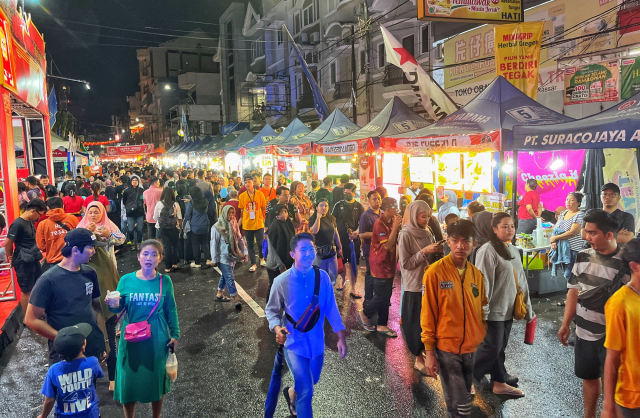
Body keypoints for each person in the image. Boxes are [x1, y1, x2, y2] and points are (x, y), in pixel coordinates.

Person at [265, 233, 347, 418]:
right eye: (304, 250)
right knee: (306, 392)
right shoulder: (281, 281)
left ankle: (291, 392)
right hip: (294, 345)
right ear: (292, 254)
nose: (310, 254)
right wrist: (277, 328)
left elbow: (331, 308)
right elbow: (271, 311)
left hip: (318, 343)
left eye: (312, 249)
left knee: (313, 379)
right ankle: (299, 396)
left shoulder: (322, 277)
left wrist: (341, 336)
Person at [558, 209, 630, 418]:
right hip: (583, 333)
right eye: (586, 232)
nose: (587, 238)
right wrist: (566, 323)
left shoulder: (627, 263)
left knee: (614, 385)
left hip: (613, 337)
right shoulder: (583, 255)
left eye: (592, 233)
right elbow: (574, 290)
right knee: (588, 378)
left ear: (609, 235)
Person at [421, 219, 488, 418]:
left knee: (465, 399)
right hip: (446, 349)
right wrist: (429, 352)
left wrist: (479, 335)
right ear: (447, 242)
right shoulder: (434, 273)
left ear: (474, 243)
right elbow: (427, 313)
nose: (460, 246)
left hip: (470, 350)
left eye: (465, 241)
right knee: (458, 406)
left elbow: (481, 308)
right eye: (455, 240)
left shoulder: (476, 275)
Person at [106, 240, 179, 418]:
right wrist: (112, 304)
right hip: (130, 339)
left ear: (160, 259)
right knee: (129, 379)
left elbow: (171, 309)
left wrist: (175, 334)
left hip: (157, 338)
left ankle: (157, 416)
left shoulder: (165, 281)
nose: (149, 258)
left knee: (156, 377)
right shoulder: (126, 280)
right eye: (145, 253)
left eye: (154, 254)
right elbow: (118, 309)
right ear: (138, 257)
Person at [474, 212, 534, 398]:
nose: (510, 230)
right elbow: (483, 284)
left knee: (499, 349)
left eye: (512, 226)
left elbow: (522, 282)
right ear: (494, 229)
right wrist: (482, 312)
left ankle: (499, 382)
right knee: (491, 349)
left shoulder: (513, 250)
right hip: (492, 312)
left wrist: (528, 309)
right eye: (505, 226)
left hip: (509, 310)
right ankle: (462, 378)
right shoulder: (487, 251)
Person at [25, 228, 107, 365]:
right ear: (75, 250)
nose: (94, 251)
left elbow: (95, 308)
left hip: (91, 346)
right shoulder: (48, 280)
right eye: (90, 248)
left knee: (90, 386)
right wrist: (64, 338)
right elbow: (31, 319)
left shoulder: (90, 272)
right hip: (64, 352)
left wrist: (101, 341)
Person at [398, 201, 441, 373]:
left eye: (429, 216)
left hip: (429, 283)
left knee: (429, 322)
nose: (426, 220)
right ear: (414, 215)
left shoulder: (428, 231)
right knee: (415, 323)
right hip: (414, 284)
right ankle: (417, 357)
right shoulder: (405, 234)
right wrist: (425, 251)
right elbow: (405, 263)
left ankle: (428, 352)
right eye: (423, 217)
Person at [602, 238, 640, 418]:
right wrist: (608, 406)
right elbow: (612, 358)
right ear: (635, 266)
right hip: (633, 397)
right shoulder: (619, 304)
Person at [357, 197, 402, 337]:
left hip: (388, 264)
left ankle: (382, 324)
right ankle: (365, 313)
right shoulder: (379, 223)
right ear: (388, 209)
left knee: (386, 295)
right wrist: (395, 228)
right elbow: (388, 246)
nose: (397, 209)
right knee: (382, 295)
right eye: (395, 207)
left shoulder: (391, 221)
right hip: (380, 264)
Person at [38, 323, 104, 418]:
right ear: (83, 347)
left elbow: (49, 400)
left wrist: (43, 416)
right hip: (91, 415)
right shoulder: (93, 362)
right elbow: (98, 374)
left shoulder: (54, 370)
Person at [5, 198, 47, 312]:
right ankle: (27, 319)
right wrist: (10, 256)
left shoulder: (30, 221)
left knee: (36, 286)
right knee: (26, 291)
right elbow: (8, 243)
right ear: (33, 211)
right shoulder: (18, 224)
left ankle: (35, 313)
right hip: (23, 260)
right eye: (39, 214)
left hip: (33, 257)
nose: (39, 217)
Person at [211, 206, 247, 310]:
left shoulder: (234, 223)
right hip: (222, 257)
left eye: (232, 212)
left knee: (226, 275)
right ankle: (235, 298)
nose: (231, 215)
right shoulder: (217, 227)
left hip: (232, 255)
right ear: (224, 213)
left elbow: (239, 238)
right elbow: (213, 244)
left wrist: (244, 251)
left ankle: (219, 294)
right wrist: (214, 259)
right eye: (229, 213)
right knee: (230, 278)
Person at [332, 183, 364, 298]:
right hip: (341, 238)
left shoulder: (359, 206)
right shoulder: (338, 205)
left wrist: (356, 232)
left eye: (349, 193)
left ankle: (354, 287)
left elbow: (362, 223)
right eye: (345, 193)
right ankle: (342, 280)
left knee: (353, 263)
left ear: (354, 193)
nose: (346, 195)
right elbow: (333, 221)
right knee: (342, 260)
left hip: (354, 239)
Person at [550, 193, 586, 283]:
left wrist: (555, 238)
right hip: (563, 249)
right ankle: (571, 294)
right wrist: (553, 241)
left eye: (572, 200)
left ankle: (574, 295)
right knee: (567, 274)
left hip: (574, 249)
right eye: (567, 199)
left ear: (578, 203)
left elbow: (573, 232)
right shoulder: (563, 213)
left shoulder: (580, 215)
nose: (568, 202)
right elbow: (555, 229)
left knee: (570, 274)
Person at [36, 197, 79, 269]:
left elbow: (41, 246)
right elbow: (78, 237)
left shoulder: (43, 224)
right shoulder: (73, 219)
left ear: (48, 208)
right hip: (72, 259)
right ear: (63, 206)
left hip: (54, 261)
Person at [265, 205, 296, 304]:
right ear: (276, 214)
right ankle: (269, 306)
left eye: (286, 211)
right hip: (275, 264)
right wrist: (281, 265)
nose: (284, 214)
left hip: (288, 261)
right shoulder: (273, 227)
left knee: (288, 285)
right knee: (273, 285)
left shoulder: (288, 224)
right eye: (281, 212)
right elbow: (273, 250)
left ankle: (285, 306)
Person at [309, 199, 342, 286]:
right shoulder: (312, 219)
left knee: (333, 276)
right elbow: (314, 231)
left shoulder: (331, 218)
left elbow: (336, 233)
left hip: (331, 250)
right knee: (320, 276)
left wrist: (340, 247)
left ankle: (329, 295)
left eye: (326, 206)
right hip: (319, 252)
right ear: (316, 207)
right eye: (321, 205)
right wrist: (318, 218)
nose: (324, 208)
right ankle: (321, 296)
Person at [238, 177, 267, 272]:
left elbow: (263, 208)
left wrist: (258, 215)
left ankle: (262, 258)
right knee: (250, 244)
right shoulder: (242, 196)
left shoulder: (259, 194)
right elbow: (242, 211)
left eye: (249, 182)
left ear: (253, 183)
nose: (247, 184)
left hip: (258, 223)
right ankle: (253, 263)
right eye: (245, 182)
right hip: (247, 224)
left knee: (260, 243)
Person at [358, 190, 381, 301]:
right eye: (374, 199)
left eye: (378, 199)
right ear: (369, 201)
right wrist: (378, 234)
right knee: (370, 274)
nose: (377, 201)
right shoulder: (365, 216)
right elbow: (361, 234)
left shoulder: (382, 214)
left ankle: (377, 298)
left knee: (378, 275)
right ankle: (368, 299)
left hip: (381, 250)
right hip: (370, 249)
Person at [154, 188, 183, 273]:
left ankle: (167, 267)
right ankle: (175, 264)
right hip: (173, 228)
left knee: (166, 247)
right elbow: (179, 217)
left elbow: (155, 217)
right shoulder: (175, 204)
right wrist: (180, 228)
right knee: (175, 245)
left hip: (162, 228)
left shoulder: (159, 204)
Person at [184, 186, 210, 268]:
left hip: (195, 226)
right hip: (205, 225)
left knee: (195, 245)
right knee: (205, 243)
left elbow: (187, 215)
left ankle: (197, 263)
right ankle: (208, 260)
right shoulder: (205, 201)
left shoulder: (191, 203)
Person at [123, 175, 145, 251]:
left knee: (139, 229)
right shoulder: (126, 191)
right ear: (130, 181)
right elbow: (124, 202)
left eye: (136, 180)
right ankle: (132, 241)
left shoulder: (141, 190)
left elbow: (143, 200)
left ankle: (139, 242)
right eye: (133, 180)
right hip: (130, 212)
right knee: (130, 229)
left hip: (139, 212)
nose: (134, 182)